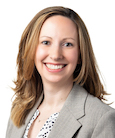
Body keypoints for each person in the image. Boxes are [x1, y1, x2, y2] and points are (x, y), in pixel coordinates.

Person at [6, 6, 115, 138]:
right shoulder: (19, 110)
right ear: (31, 49)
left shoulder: (101, 119)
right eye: (46, 42)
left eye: (67, 44)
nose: (56, 55)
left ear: (81, 54)